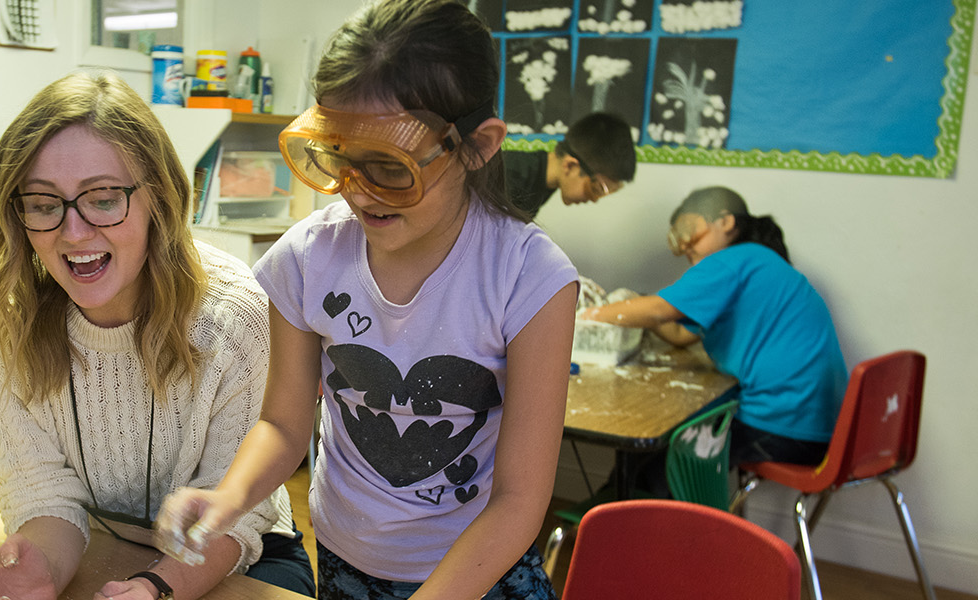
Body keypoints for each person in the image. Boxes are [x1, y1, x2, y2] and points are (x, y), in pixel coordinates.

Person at [157, 1, 580, 598]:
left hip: (478, 572)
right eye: (338, 159)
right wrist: (228, 496)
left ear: (477, 145)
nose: (357, 192)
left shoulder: (529, 278)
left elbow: (518, 500)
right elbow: (283, 423)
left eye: (389, 167)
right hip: (346, 558)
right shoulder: (309, 258)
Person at [0, 71, 314, 600]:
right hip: (95, 543)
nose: (74, 232)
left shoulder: (235, 316)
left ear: (158, 199)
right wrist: (42, 569)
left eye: (103, 199)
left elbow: (234, 513)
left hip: (235, 556)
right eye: (44, 204)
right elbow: (42, 491)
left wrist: (153, 589)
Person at [580, 186, 846, 468]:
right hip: (816, 425)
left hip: (782, 428)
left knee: (654, 463)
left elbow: (660, 310)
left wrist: (586, 315)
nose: (684, 245)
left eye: (688, 230)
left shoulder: (731, 261)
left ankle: (624, 497)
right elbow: (681, 334)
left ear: (726, 222)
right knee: (653, 456)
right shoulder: (757, 261)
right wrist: (633, 304)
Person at [502, 112, 636, 218]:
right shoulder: (510, 179)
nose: (594, 200)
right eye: (595, 190)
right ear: (570, 166)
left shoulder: (541, 180)